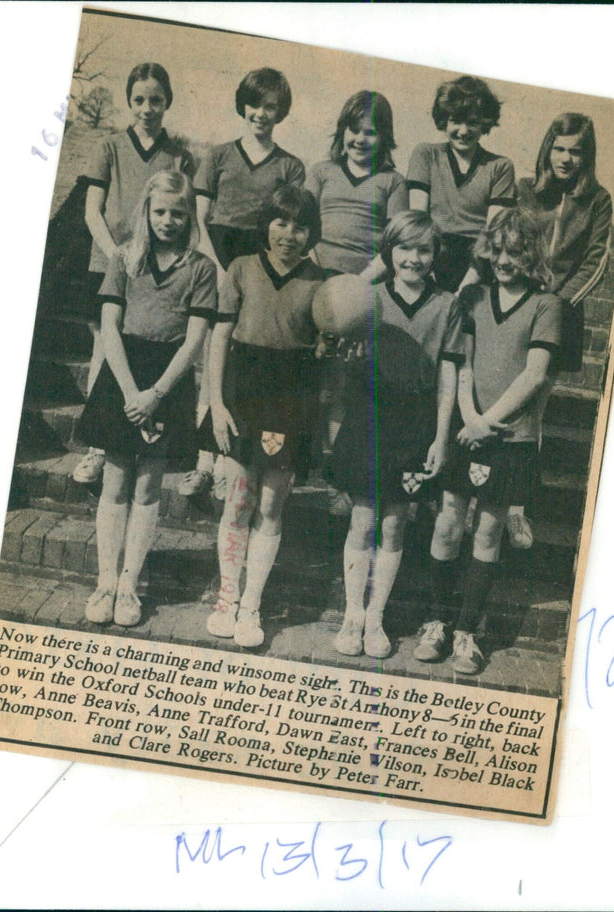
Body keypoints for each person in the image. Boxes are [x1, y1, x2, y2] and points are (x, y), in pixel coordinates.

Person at [413, 207, 562, 673]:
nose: (503, 260)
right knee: (446, 523)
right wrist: (470, 416)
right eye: (496, 250)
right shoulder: (474, 297)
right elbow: (463, 365)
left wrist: (487, 422)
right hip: (467, 427)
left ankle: (466, 632)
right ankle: (436, 622)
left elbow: (534, 375)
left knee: (490, 531)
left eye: (515, 251)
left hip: (509, 437)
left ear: (532, 254)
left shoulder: (547, 305)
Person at [77, 171, 214, 626]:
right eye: (160, 211)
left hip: (167, 383)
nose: (169, 220)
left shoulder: (200, 269)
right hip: (123, 374)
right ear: (146, 211)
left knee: (149, 485)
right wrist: (131, 391)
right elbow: (110, 329)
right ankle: (104, 581)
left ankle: (129, 586)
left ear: (189, 214)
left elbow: (194, 341)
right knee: (115, 480)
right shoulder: (124, 258)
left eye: (178, 212)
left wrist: (155, 394)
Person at [329, 210, 463, 659]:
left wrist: (441, 437)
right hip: (370, 417)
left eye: (424, 249)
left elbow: (449, 378)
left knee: (394, 524)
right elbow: (345, 365)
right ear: (390, 251)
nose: (414, 258)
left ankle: (376, 618)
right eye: (405, 248)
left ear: (436, 255)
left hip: (416, 423)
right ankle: (352, 613)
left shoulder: (447, 305)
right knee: (363, 518)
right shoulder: (368, 298)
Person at [200, 186, 324, 648]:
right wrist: (215, 402)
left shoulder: (320, 281)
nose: (290, 234)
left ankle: (252, 604)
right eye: (281, 222)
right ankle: (226, 597)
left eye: (301, 225)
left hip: (291, 395)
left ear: (313, 232)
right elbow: (219, 338)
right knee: (237, 499)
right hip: (243, 389)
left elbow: (325, 346)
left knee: (271, 504)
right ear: (266, 225)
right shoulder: (240, 270)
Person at [179, 67, 305, 498]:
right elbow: (197, 217)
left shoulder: (290, 165)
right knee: (211, 353)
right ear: (243, 105)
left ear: (280, 112)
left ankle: (227, 459)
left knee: (242, 356)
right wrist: (216, 265)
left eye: (271, 106)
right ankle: (201, 461)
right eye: (255, 104)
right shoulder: (216, 156)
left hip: (258, 262)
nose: (261, 113)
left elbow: (290, 222)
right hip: (216, 256)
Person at [73, 62, 194, 484]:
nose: (147, 108)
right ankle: (96, 447)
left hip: (156, 269)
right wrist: (118, 256)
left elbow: (182, 210)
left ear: (167, 102)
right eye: (139, 99)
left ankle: (134, 435)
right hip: (113, 263)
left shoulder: (177, 154)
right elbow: (92, 210)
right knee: (104, 349)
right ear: (129, 101)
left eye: (156, 100)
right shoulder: (108, 147)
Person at [503, 113, 614, 548]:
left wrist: (555, 303)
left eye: (576, 151)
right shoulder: (526, 191)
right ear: (548, 149)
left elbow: (596, 262)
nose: (567, 159)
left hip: (561, 315)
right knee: (499, 397)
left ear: (586, 157)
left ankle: (516, 509)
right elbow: (508, 241)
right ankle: (481, 498)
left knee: (532, 412)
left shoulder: (598, 200)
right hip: (517, 307)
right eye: (560, 148)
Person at [305, 90, 408, 508]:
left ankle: (338, 477)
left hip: (364, 288)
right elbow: (302, 224)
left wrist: (356, 288)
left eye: (372, 132)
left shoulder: (392, 182)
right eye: (354, 129)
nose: (361, 139)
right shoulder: (321, 171)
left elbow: (397, 242)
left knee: (347, 383)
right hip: (315, 280)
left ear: (385, 138)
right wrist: (318, 276)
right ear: (342, 130)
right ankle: (299, 463)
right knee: (311, 374)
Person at [406, 75, 515, 294]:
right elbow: (417, 224)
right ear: (444, 119)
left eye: (473, 122)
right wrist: (426, 273)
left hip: (477, 263)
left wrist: (466, 287)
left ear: (484, 123)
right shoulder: (426, 154)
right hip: (432, 258)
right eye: (456, 120)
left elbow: (492, 235)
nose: (463, 131)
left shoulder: (500, 166)